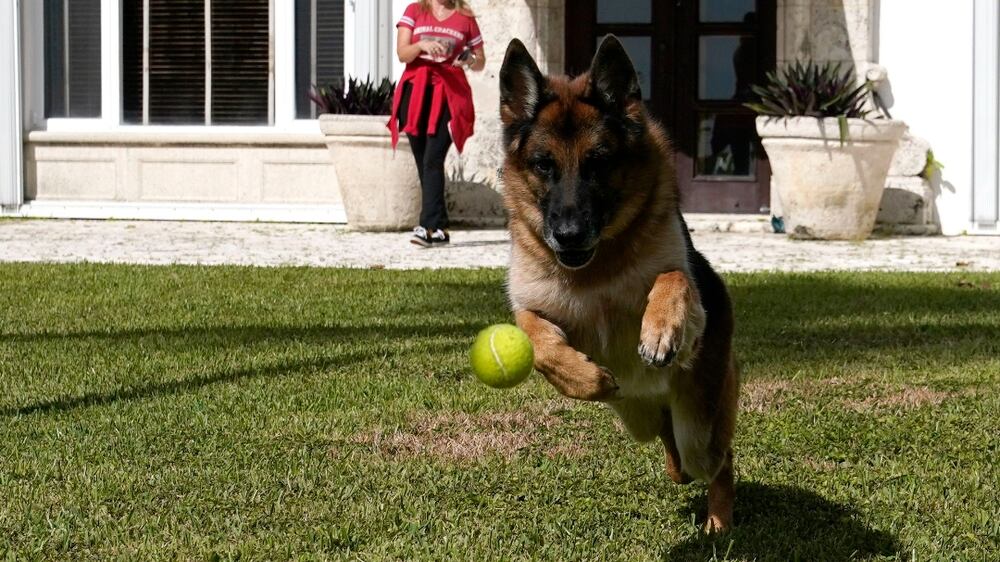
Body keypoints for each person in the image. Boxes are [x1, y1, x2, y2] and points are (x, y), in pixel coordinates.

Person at [389, 0, 485, 247]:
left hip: (449, 92)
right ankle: (440, 226)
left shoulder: (465, 16)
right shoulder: (414, 11)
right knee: (424, 160)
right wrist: (421, 44)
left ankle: (426, 226)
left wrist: (469, 59)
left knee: (433, 157)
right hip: (416, 90)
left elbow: (480, 60)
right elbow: (402, 54)